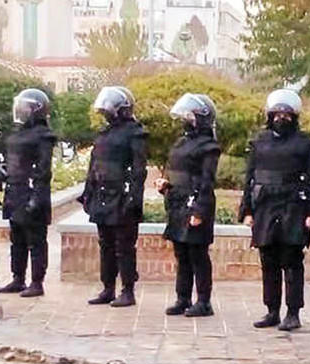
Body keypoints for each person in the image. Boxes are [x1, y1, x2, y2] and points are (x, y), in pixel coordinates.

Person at [238, 89, 310, 331]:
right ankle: (272, 310)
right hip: (264, 206)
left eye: (286, 114)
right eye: (277, 114)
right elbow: (249, 179)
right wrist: (247, 210)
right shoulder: (260, 142)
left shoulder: (304, 144)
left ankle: (293, 313)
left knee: (292, 260)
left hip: (292, 206)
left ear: (294, 116)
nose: (281, 118)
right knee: (268, 261)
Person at [79, 86, 148, 308]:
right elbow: (94, 165)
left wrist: (134, 198)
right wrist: (87, 193)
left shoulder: (135, 133)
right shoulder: (104, 133)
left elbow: (139, 169)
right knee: (105, 244)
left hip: (122, 195)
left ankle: (128, 291)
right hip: (102, 194)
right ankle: (108, 288)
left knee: (124, 246)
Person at [155, 93, 220, 317]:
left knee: (197, 254)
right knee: (181, 254)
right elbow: (175, 172)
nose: (186, 120)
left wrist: (200, 210)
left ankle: (204, 301)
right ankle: (183, 298)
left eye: (190, 116)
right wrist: (166, 184)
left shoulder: (209, 147)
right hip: (178, 203)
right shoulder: (181, 143)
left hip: (196, 202)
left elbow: (207, 181)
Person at [0, 89, 55, 297]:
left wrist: (36, 197)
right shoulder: (18, 134)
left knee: (36, 240)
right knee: (17, 239)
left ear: (36, 110)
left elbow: (43, 170)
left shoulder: (43, 136)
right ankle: (18, 279)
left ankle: (37, 282)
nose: (21, 110)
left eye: (26, 107)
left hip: (31, 192)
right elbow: (17, 161)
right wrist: (4, 170)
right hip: (14, 191)